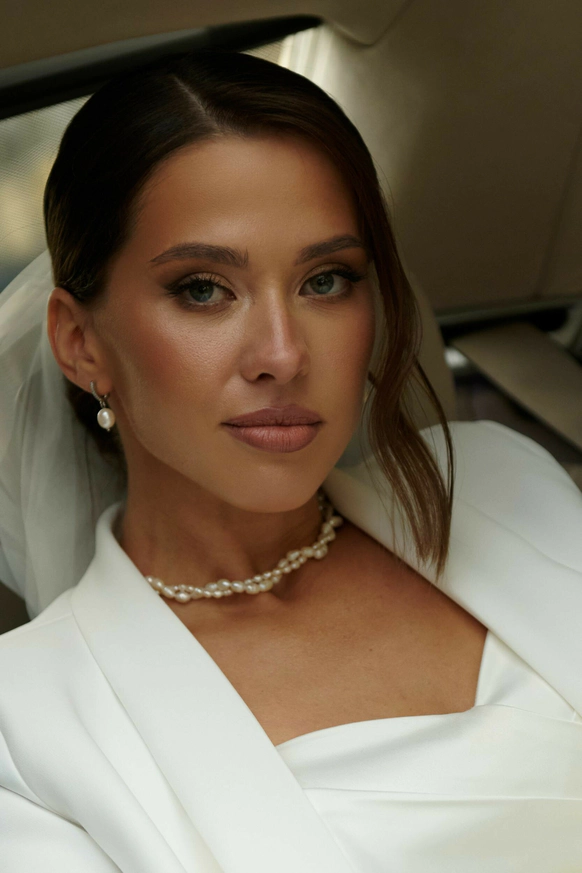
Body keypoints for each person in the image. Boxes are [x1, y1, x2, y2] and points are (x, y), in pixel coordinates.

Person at [0, 48, 581, 873]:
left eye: (326, 280)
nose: (282, 353)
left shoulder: (504, 484)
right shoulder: (23, 730)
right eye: (203, 288)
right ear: (79, 342)